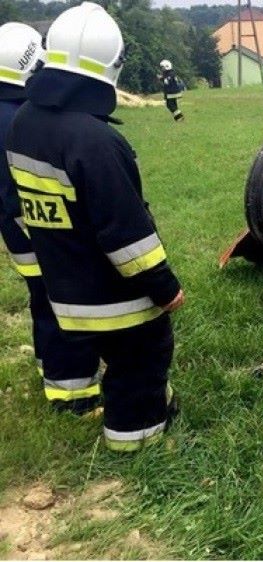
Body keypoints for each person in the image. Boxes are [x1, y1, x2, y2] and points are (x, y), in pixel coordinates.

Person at [6, 2, 185, 452]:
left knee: (119, 355)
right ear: (112, 66)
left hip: (63, 290)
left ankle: (129, 404)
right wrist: (165, 288)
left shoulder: (24, 122)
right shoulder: (97, 142)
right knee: (144, 351)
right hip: (112, 297)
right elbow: (127, 236)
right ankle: (135, 440)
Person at [0, 22, 102, 415]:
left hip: (19, 233)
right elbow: (21, 192)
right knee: (64, 305)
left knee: (42, 302)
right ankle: (74, 395)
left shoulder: (9, 113)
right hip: (38, 231)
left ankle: (51, 370)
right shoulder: (16, 119)